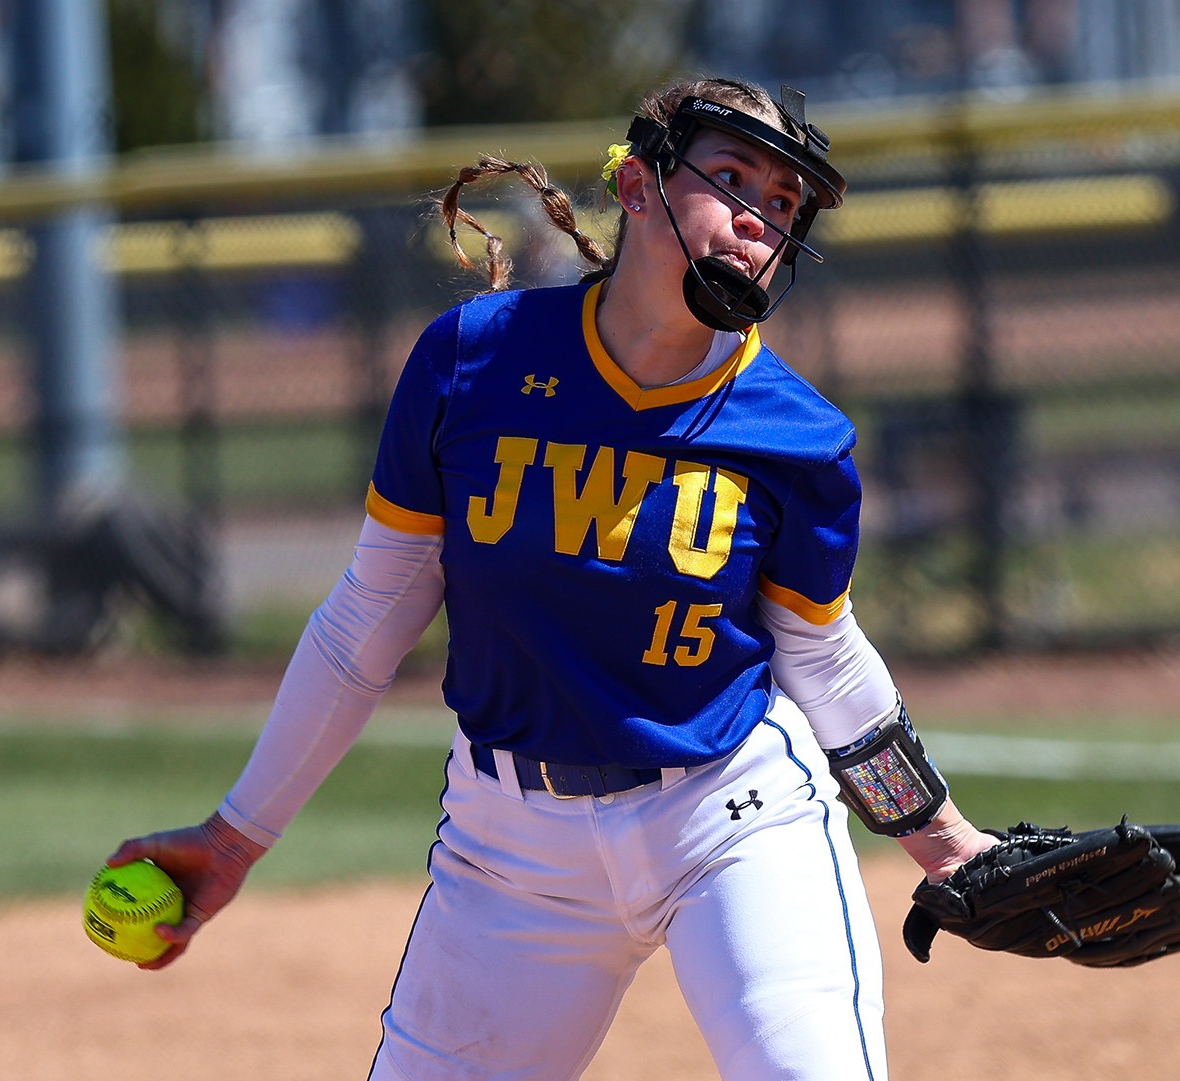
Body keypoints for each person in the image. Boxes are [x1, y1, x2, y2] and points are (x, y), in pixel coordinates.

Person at [107, 76, 995, 1081]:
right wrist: (235, 838)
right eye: (734, 178)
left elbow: (823, 658)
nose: (758, 219)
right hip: (510, 852)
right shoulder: (470, 363)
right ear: (641, 181)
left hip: (731, 820)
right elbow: (370, 617)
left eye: (784, 206)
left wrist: (945, 839)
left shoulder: (796, 435)